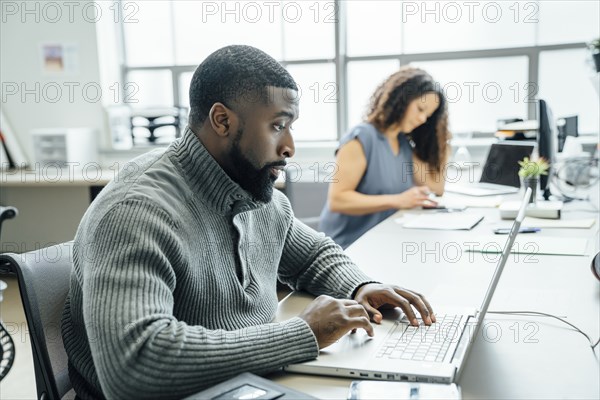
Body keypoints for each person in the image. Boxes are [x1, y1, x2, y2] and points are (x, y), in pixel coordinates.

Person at [61, 46, 435, 399]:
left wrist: (361, 286)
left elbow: (313, 255)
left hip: (244, 383)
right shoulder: (135, 212)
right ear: (222, 120)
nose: (290, 146)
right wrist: (301, 334)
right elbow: (135, 365)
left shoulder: (250, 187)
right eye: (277, 126)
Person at [319, 67, 451, 249]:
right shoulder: (361, 138)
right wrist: (399, 200)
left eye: (428, 116)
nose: (422, 119)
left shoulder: (403, 143)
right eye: (420, 109)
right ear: (401, 99)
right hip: (348, 247)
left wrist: (439, 139)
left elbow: (436, 187)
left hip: (382, 241)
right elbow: (338, 200)